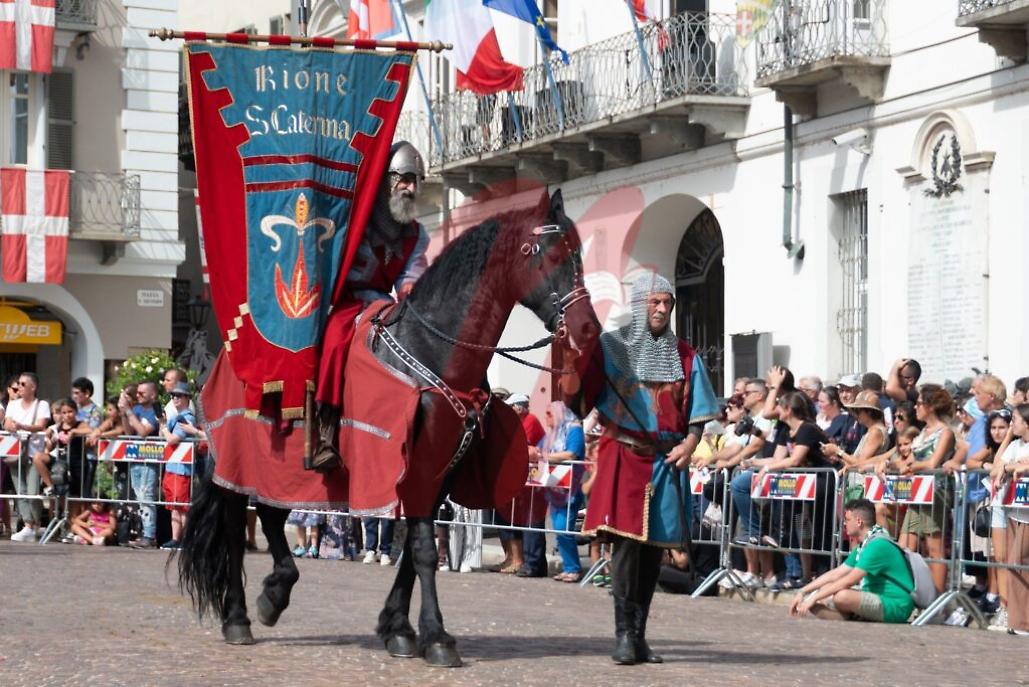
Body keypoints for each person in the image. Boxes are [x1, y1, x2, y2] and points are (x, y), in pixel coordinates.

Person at [561, 273, 719, 665]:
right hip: (624, 456)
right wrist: (572, 353)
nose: (662, 310)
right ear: (639, 304)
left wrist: (690, 443)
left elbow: (698, 413)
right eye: (655, 302)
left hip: (666, 461)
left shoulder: (685, 356)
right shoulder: (612, 348)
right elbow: (579, 399)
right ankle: (623, 636)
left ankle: (639, 635)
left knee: (652, 554)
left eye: (667, 303)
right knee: (626, 548)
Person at [313, 141, 430, 471]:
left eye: (415, 181)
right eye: (404, 179)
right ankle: (326, 430)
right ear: (386, 180)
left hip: (385, 304)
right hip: (347, 302)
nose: (410, 188)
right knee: (335, 341)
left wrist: (412, 292)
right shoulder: (356, 219)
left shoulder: (416, 234)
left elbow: (411, 274)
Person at [789, 499, 914, 624]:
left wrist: (813, 598)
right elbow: (836, 573)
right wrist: (803, 592)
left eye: (847, 520)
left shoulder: (877, 545)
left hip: (897, 605)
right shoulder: (866, 544)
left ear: (859, 522)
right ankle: (855, 615)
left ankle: (854, 616)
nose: (844, 523)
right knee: (824, 591)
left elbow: (849, 580)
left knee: (841, 596)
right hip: (879, 597)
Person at [899, 384, 957, 592]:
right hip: (917, 493)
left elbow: (933, 462)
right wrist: (886, 464)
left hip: (936, 494)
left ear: (931, 406)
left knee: (934, 548)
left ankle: (938, 598)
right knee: (905, 545)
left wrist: (911, 467)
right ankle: (911, 592)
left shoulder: (945, 432)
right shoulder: (923, 432)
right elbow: (907, 460)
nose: (916, 407)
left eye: (920, 403)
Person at [988, 404, 1029, 634]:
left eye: (1016, 420)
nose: (1012, 424)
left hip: (1027, 513)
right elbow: (995, 470)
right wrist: (1008, 466)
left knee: (1018, 561)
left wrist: (1011, 466)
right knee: (1014, 564)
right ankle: (1017, 619)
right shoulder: (1015, 445)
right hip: (1015, 511)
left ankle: (1023, 621)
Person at [497, 393, 547, 577]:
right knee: (522, 520)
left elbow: (519, 447)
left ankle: (531, 563)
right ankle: (528, 562)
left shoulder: (530, 420)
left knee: (532, 522)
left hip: (534, 480)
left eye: (511, 407)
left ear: (519, 408)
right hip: (525, 480)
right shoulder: (518, 423)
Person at [536, 400, 586, 583]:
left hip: (570, 486)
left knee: (563, 528)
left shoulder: (574, 430)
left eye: (549, 414)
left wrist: (546, 456)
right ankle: (569, 567)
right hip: (555, 485)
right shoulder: (552, 433)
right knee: (559, 529)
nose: (546, 417)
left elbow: (572, 453)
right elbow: (539, 449)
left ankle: (573, 568)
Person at [4, 372, 51, 542]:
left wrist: (22, 426)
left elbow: (41, 425)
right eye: (18, 384)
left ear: (33, 387)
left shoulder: (42, 405)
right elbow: (7, 423)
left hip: (33, 453)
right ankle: (27, 524)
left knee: (32, 491)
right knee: (20, 490)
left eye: (23, 384)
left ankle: (35, 523)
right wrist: (11, 426)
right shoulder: (13, 404)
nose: (19, 387)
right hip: (15, 452)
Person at [119, 380, 161, 549]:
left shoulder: (155, 410)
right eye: (137, 393)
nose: (138, 395)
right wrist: (124, 413)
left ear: (153, 394)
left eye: (142, 393)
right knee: (139, 496)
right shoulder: (136, 409)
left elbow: (143, 432)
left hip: (150, 458)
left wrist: (128, 412)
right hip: (135, 457)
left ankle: (150, 536)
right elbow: (129, 432)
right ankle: (144, 533)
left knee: (146, 496)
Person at [159, 382, 200, 550]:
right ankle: (176, 538)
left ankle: (184, 539)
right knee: (174, 506)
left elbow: (172, 439)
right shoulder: (176, 417)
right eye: (173, 395)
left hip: (181, 470)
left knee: (181, 506)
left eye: (178, 395)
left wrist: (163, 427)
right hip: (173, 467)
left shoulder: (186, 418)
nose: (175, 398)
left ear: (187, 398)